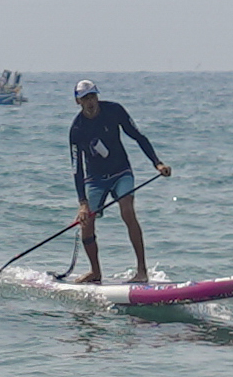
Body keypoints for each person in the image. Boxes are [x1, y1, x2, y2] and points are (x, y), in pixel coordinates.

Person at [68, 79, 172, 283]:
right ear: (78, 102)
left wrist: (157, 163)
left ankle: (142, 271)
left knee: (127, 211)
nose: (90, 102)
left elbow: (138, 137)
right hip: (95, 179)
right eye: (85, 98)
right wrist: (82, 203)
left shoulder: (114, 111)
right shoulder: (76, 129)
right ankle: (95, 272)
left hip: (121, 172)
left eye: (93, 96)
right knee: (86, 224)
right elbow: (76, 169)